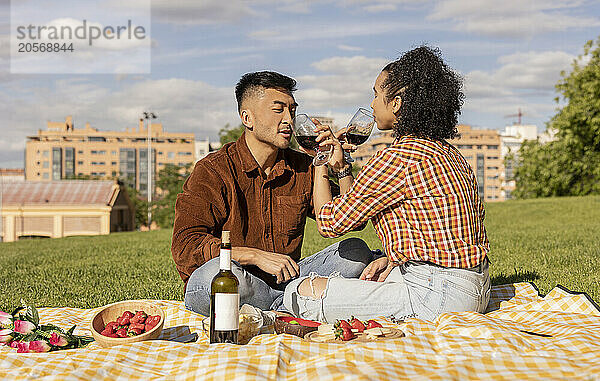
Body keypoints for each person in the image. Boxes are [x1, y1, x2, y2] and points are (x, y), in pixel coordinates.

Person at [283, 46, 491, 322]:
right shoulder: (448, 153)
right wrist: (342, 167)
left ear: (396, 103)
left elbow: (330, 222)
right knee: (373, 270)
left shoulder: (397, 158)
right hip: (476, 287)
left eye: (376, 94)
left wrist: (320, 162)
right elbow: (355, 216)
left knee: (297, 293)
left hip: (438, 297)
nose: (372, 104)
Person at [171, 71, 376, 316]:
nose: (289, 119)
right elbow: (186, 247)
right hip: (237, 282)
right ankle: (299, 303)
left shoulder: (303, 166)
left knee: (356, 252)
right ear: (247, 118)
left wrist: (339, 167)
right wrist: (254, 256)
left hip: (288, 281)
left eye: (292, 110)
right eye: (279, 110)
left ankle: (282, 306)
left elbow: (349, 219)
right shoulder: (213, 170)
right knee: (209, 280)